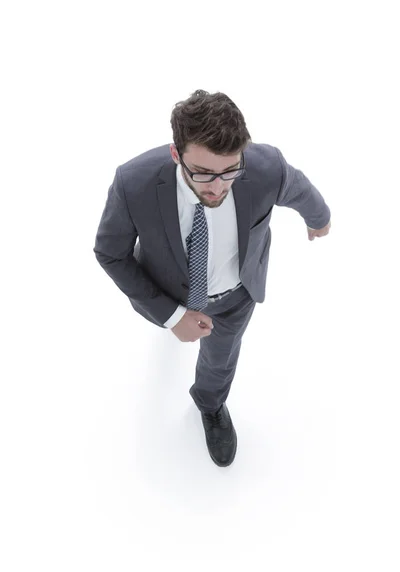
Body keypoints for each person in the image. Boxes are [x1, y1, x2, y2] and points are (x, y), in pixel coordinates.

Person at [93, 89, 331, 468]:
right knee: (171, 324)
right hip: (167, 289)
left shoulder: (265, 166)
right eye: (203, 173)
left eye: (229, 172)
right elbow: (110, 252)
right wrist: (171, 316)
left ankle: (210, 403)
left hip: (235, 296)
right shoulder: (132, 182)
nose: (218, 186)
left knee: (220, 359)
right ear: (177, 155)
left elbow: (296, 187)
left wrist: (319, 218)